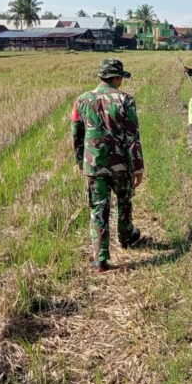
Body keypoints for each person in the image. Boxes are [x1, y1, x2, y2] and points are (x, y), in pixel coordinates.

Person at [71, 59, 144, 273]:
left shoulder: (82, 100)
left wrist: (80, 159)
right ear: (116, 78)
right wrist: (137, 166)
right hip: (121, 163)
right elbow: (132, 136)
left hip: (94, 164)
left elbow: (77, 132)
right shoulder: (126, 100)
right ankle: (126, 236)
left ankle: (100, 258)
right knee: (124, 201)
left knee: (98, 208)